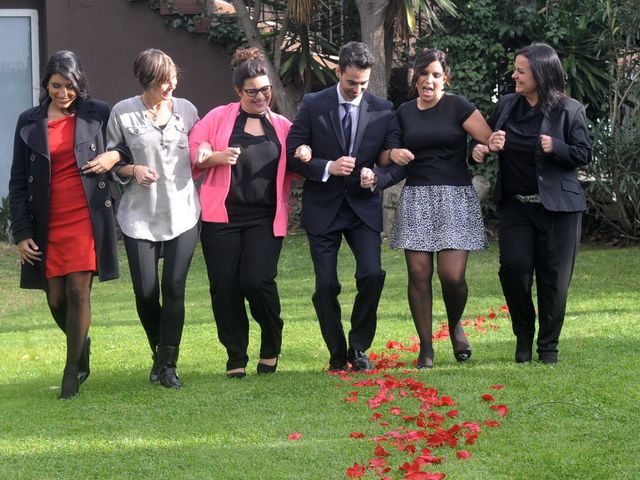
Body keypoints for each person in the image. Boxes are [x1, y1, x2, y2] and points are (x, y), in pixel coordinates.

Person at [188, 48, 310, 379]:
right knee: (225, 287)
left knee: (257, 282)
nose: (261, 96)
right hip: (221, 219)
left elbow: (300, 166)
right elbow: (196, 150)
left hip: (265, 219)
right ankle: (235, 355)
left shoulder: (283, 126)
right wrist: (212, 156)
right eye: (252, 91)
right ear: (238, 92)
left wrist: (305, 152)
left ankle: (271, 341)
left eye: (265, 89)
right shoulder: (218, 117)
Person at [286, 41, 405, 372]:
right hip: (322, 207)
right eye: (352, 82)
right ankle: (337, 353)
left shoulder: (383, 108)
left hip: (363, 208)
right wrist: (326, 167)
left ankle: (359, 347)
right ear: (338, 72)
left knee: (371, 275)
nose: (357, 89)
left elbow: (396, 162)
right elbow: (293, 149)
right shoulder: (313, 104)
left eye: (363, 84)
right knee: (326, 286)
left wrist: (376, 176)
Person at [9, 50, 119, 399]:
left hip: (87, 214)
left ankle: (72, 370)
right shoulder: (29, 121)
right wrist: (22, 232)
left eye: (70, 86)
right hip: (47, 219)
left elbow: (126, 148)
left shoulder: (98, 112)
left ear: (79, 83)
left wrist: (113, 156)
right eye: (56, 85)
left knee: (77, 291)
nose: (64, 93)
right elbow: (16, 181)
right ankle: (81, 343)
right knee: (55, 298)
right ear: (46, 84)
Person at [472, 43, 591, 364]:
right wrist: (483, 148)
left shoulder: (570, 110)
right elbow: (481, 143)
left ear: (541, 74)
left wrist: (558, 147)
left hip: (560, 209)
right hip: (516, 207)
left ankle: (548, 347)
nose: (514, 75)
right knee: (514, 268)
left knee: (554, 279)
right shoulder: (507, 106)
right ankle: (523, 335)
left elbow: (584, 154)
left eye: (520, 71)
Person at [376, 48, 493, 369]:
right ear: (415, 78)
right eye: (424, 74)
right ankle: (426, 348)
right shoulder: (403, 112)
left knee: (452, 276)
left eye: (436, 75)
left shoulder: (459, 106)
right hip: (417, 197)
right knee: (418, 273)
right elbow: (385, 154)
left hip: (456, 197)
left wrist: (481, 151)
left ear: (446, 79)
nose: (429, 80)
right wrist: (394, 154)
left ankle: (455, 325)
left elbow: (488, 140)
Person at [108, 49, 200, 388]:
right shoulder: (122, 112)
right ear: (146, 81)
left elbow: (200, 148)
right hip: (138, 216)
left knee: (174, 288)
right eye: (164, 81)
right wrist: (132, 169)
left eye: (174, 77)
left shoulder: (187, 110)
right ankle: (158, 354)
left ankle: (168, 365)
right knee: (145, 292)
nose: (172, 85)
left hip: (183, 212)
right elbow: (112, 159)